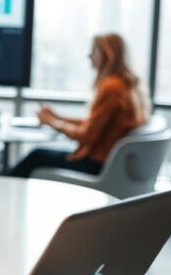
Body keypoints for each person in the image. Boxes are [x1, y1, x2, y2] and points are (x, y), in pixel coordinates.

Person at [9, 33, 150, 178]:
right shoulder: (126, 86)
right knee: (39, 154)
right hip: (107, 163)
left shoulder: (111, 87)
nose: (89, 55)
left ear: (107, 55)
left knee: (35, 155)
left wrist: (53, 122)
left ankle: (4, 192)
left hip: (96, 165)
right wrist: (57, 117)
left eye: (94, 50)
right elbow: (93, 124)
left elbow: (86, 136)